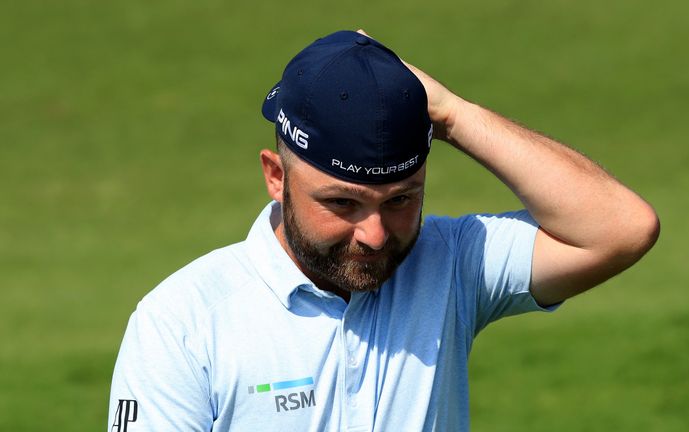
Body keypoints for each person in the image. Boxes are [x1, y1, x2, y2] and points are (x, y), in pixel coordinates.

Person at [107, 30, 659, 431]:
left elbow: (621, 229)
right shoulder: (181, 324)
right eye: (342, 203)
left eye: (401, 200)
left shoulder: (452, 264)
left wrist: (451, 116)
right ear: (276, 177)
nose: (373, 235)